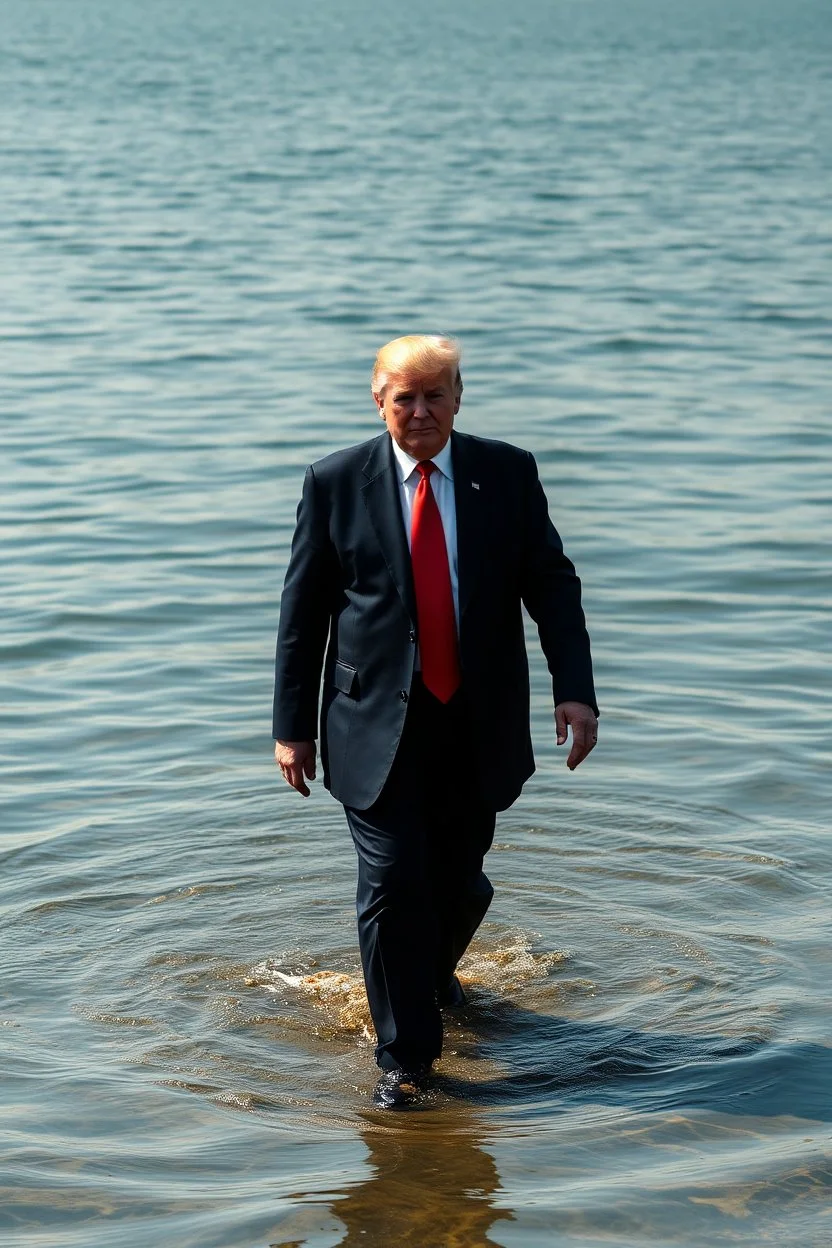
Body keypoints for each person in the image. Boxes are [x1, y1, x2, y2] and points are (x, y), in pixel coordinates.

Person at [272, 335, 598, 1108]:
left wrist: (575, 690)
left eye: (435, 396)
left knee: (459, 884)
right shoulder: (335, 481)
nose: (420, 411)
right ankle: (406, 1061)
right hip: (368, 722)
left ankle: (430, 978)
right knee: (389, 886)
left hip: (476, 720)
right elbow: (302, 612)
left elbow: (551, 584)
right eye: (404, 397)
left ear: (458, 398)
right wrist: (292, 727)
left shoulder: (506, 472)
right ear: (378, 400)